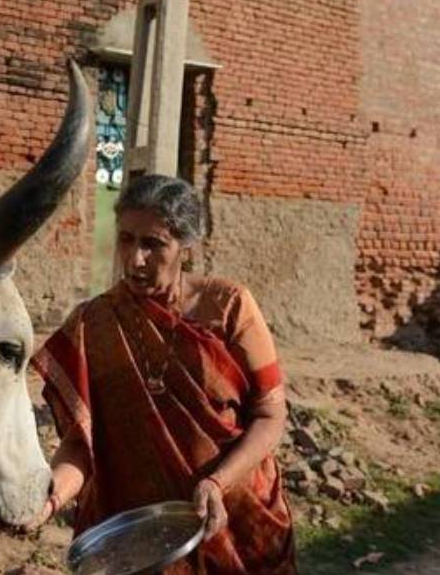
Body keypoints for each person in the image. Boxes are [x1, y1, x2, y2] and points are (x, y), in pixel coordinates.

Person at [29, 174, 296, 573]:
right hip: (140, 535)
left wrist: (217, 483)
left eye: (153, 244)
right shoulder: (94, 324)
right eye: (126, 239)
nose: (135, 259)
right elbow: (82, 443)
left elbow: (270, 414)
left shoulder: (229, 308)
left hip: (237, 517)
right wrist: (49, 500)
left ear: (185, 247)